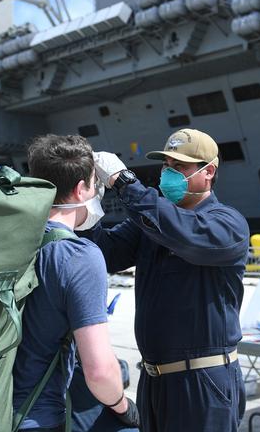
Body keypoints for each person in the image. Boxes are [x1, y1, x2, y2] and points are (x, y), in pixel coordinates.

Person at [88, 128, 250, 432]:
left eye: (181, 167)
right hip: (154, 379)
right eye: (167, 166)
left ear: (208, 172)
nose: (169, 174)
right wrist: (88, 211)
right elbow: (106, 253)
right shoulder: (153, 224)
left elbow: (185, 234)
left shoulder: (227, 224)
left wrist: (125, 183)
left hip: (202, 382)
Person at [13, 134, 140, 432]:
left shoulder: (9, 237)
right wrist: (124, 406)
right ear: (82, 189)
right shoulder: (79, 256)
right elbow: (99, 371)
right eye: (95, 184)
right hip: (37, 416)